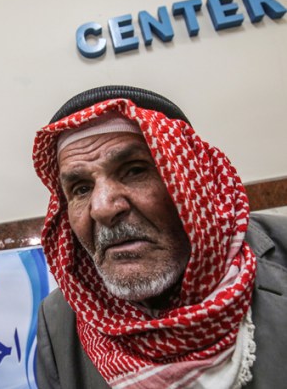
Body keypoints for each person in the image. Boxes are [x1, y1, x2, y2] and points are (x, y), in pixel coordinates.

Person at [32, 85, 287, 389]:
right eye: (81, 189)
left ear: (194, 182)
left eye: (135, 170)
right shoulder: (58, 323)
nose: (102, 208)